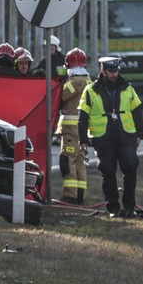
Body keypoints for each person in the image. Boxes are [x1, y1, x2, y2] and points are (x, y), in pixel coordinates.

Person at [78, 56, 143, 218]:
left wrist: (140, 133)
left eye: (116, 71)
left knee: (130, 166)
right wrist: (83, 140)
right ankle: (113, 207)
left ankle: (130, 206)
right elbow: (83, 116)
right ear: (103, 71)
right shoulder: (91, 90)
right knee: (108, 172)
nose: (114, 75)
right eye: (111, 71)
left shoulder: (127, 87)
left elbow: (137, 111)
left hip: (126, 136)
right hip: (103, 138)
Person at [56, 48, 90, 204]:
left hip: (71, 129)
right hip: (82, 129)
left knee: (67, 160)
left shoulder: (74, 82)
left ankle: (70, 195)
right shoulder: (88, 80)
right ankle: (80, 196)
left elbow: (60, 97)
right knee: (79, 161)